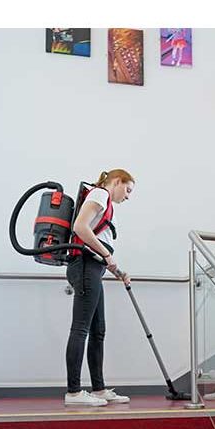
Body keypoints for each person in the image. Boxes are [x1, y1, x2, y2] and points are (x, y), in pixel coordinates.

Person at [64, 169, 135, 406]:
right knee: (81, 329)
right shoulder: (100, 194)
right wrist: (106, 254)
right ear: (116, 181)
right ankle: (73, 393)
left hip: (93, 267)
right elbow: (80, 228)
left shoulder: (105, 202)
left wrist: (118, 272)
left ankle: (99, 389)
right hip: (84, 266)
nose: (128, 196)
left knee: (98, 331)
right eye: (128, 189)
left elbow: (101, 246)